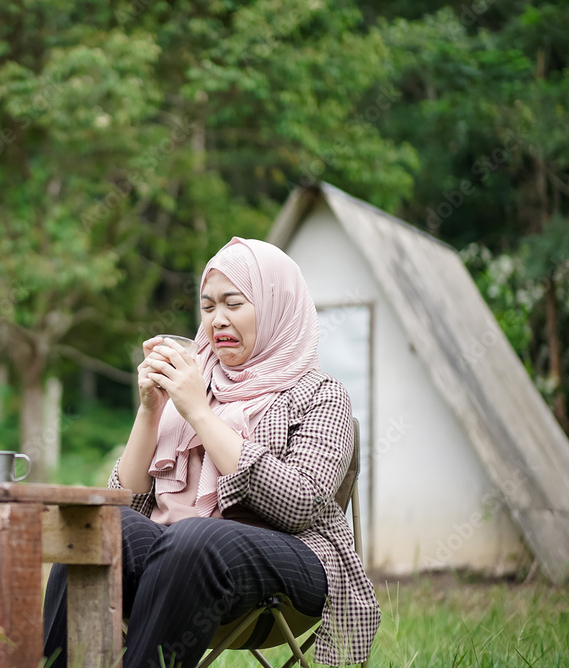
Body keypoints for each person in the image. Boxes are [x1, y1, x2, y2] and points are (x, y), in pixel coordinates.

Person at [43, 237, 380, 667]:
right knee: (97, 528)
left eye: (233, 303)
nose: (217, 319)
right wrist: (151, 411)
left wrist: (200, 412)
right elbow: (125, 504)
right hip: (176, 563)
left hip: (293, 564)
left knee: (193, 537)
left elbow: (300, 504)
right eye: (207, 307)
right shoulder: (191, 381)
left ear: (276, 305)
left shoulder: (321, 394)